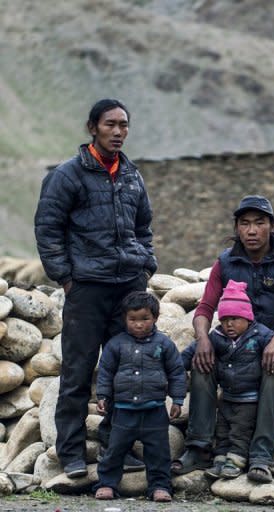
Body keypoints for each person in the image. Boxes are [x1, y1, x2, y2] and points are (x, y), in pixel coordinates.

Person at [34, 99, 157, 478]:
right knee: (78, 370)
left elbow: (144, 227)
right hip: (86, 287)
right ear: (92, 128)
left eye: (124, 125)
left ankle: (116, 446)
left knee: (126, 368)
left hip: (128, 287)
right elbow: (47, 228)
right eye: (110, 125)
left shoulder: (132, 176)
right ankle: (70, 452)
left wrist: (145, 264)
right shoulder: (67, 175)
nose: (118, 132)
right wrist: (66, 277)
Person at [171, 194, 274, 483]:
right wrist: (203, 339)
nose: (252, 230)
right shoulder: (225, 263)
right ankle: (199, 448)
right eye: (245, 224)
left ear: (271, 226)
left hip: (271, 341)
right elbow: (206, 307)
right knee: (202, 362)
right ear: (237, 228)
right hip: (231, 340)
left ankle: (260, 456)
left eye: (259, 223)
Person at [182, 279, 274, 480]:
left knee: (240, 432)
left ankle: (237, 461)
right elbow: (191, 352)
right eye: (225, 319)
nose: (229, 324)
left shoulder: (260, 334)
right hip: (227, 397)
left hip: (249, 399)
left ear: (248, 319)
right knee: (223, 430)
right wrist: (175, 369)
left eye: (235, 319)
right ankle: (218, 459)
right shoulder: (217, 336)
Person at [93, 291, 187, 502]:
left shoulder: (164, 344)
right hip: (123, 411)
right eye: (132, 319)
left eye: (144, 319)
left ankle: (160, 486)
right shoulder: (115, 344)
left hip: (154, 411)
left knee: (159, 453)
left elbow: (177, 372)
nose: (138, 325)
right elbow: (106, 372)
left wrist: (178, 399)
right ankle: (107, 484)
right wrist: (102, 396)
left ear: (155, 318)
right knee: (115, 450)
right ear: (124, 319)